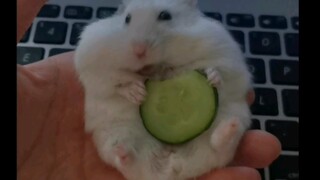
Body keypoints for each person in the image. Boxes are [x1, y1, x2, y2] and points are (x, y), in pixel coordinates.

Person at [17, 0, 281, 179]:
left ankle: (218, 144)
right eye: (129, 19)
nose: (140, 47)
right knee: (111, 132)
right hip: (136, 144)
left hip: (201, 141)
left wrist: (215, 76)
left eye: (164, 17)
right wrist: (119, 85)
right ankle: (127, 158)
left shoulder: (210, 41)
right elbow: (94, 82)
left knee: (233, 114)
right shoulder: (100, 49)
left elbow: (236, 80)